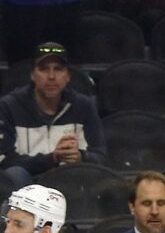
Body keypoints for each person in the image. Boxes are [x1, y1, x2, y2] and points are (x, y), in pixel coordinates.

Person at [0, 41, 105, 188]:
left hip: (73, 183)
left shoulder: (84, 106)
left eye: (58, 69)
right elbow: (5, 160)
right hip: (28, 187)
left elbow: (100, 156)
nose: (51, 76)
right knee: (14, 174)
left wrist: (82, 157)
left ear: (67, 76)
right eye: (44, 69)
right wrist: (51, 159)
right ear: (32, 75)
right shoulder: (8, 106)